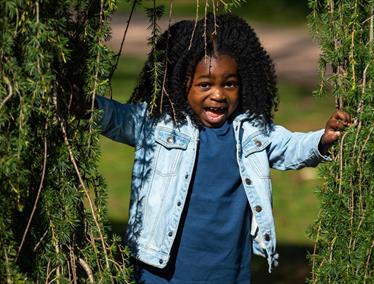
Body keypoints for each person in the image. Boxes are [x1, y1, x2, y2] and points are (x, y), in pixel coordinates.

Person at [75, 13, 351, 283]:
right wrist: (85, 104)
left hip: (228, 272)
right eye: (205, 84)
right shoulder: (161, 124)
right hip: (161, 272)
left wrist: (322, 139)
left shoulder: (249, 132)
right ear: (183, 83)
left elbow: (290, 146)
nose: (218, 94)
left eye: (229, 84)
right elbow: (119, 119)